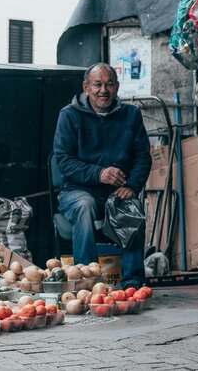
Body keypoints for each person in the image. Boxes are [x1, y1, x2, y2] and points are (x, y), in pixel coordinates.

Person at [52, 62, 151, 289]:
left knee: (131, 205)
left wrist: (133, 186)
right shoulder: (69, 115)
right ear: (86, 88)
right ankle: (88, 283)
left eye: (109, 84)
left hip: (116, 192)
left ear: (117, 87)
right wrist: (99, 174)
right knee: (85, 205)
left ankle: (133, 284)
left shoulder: (131, 115)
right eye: (97, 85)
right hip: (76, 191)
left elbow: (143, 157)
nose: (103, 90)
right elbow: (64, 161)